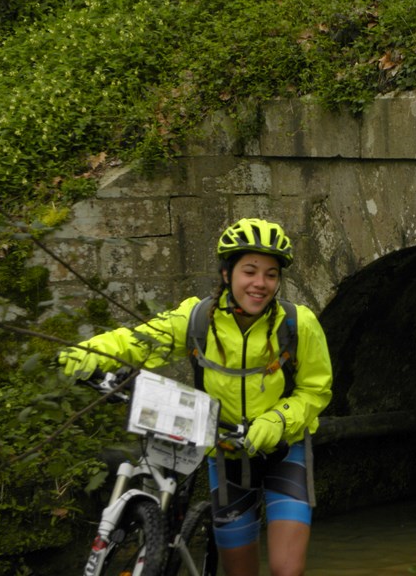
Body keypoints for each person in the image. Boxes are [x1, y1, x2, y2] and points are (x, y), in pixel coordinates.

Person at [59, 217, 333, 576]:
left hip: (284, 451)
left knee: (286, 570)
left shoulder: (299, 323)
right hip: (225, 454)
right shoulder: (198, 318)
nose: (260, 284)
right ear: (226, 274)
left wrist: (276, 420)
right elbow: (140, 339)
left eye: (270, 274)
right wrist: (91, 353)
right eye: (249, 271)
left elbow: (316, 390)